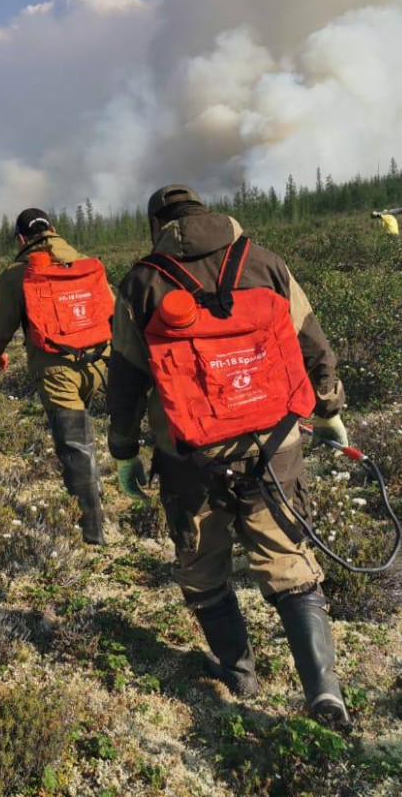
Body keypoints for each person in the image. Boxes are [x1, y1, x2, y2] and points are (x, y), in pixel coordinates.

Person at [106, 184, 352, 727]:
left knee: (202, 566)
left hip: (189, 456)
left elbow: (125, 380)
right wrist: (329, 410)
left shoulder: (142, 282)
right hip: (275, 444)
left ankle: (239, 674)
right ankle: (323, 690)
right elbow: (313, 344)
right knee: (289, 562)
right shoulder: (265, 262)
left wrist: (124, 451)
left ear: (157, 226)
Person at [0, 209, 116, 544]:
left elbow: (0, 327)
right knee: (84, 434)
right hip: (99, 361)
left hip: (56, 370)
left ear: (21, 239)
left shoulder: (19, 273)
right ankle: (97, 491)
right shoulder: (85, 263)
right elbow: (112, 309)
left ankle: (92, 530)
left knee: (73, 443)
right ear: (54, 230)